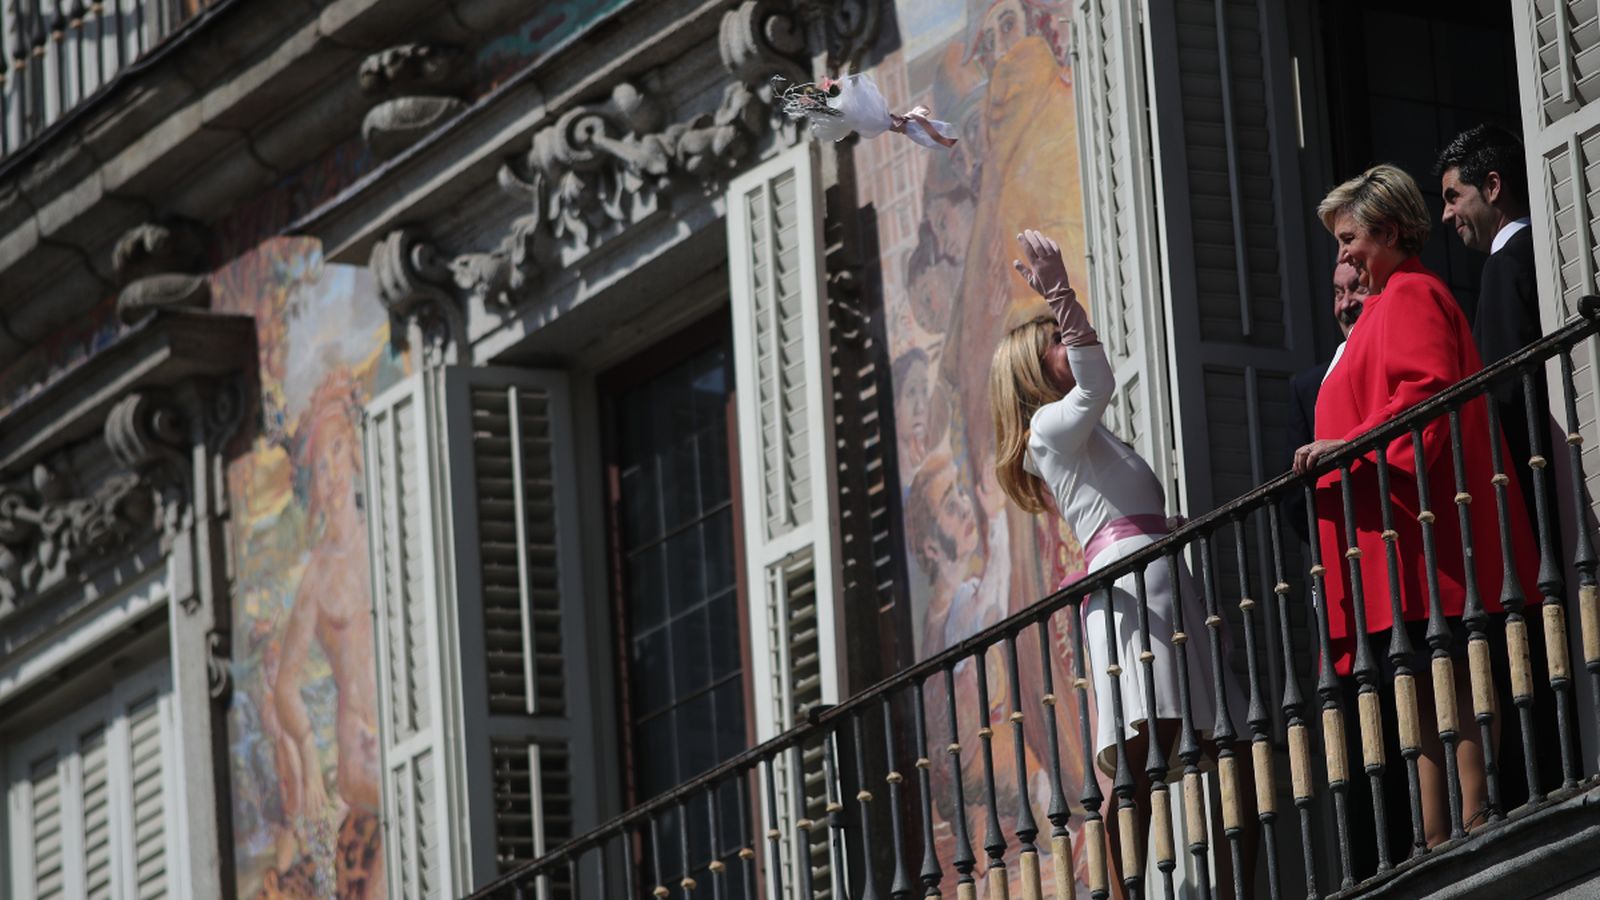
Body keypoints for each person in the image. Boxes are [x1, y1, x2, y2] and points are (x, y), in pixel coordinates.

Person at [992, 229, 1250, 893]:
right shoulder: (1051, 429)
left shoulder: (1078, 432)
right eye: (1055, 337)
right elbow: (1098, 378)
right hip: (1135, 590)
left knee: (1212, 744)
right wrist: (1059, 291)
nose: (1068, 342)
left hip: (1155, 581)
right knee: (1150, 753)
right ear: (1031, 363)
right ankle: (1129, 889)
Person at [1294, 164, 1541, 847]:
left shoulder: (1411, 295)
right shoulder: (1384, 305)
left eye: (1349, 239)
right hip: (1398, 540)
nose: (1342, 255)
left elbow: (1426, 403)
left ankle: (1464, 824)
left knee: (1449, 682)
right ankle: (1439, 836)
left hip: (1425, 534)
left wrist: (1346, 447)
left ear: (1390, 230)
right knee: (1424, 698)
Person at [272, 370, 386, 898]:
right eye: (321, 464)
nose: (333, 472)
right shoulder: (316, 576)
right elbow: (285, 684)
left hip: (405, 749)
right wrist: (311, 762)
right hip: (354, 772)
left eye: (338, 450)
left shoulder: (388, 533)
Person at [1284, 261, 1368, 543]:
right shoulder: (1308, 386)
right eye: (1337, 293)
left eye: (1358, 289)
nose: (1346, 305)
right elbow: (1296, 495)